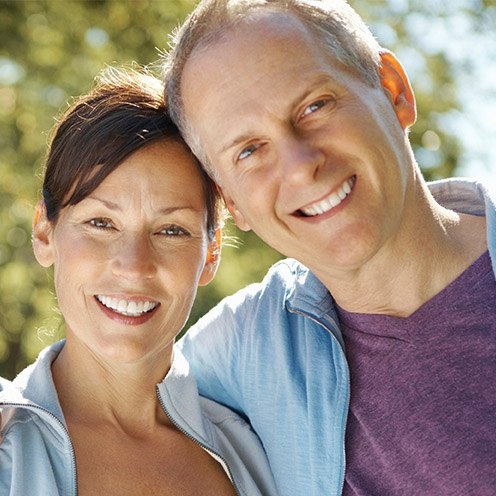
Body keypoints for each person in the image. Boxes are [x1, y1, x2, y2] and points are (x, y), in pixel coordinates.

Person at [163, 0, 496, 494]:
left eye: (314, 106)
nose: (300, 166)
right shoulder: (246, 347)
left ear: (394, 90)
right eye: (249, 150)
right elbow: (84, 399)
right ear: (232, 202)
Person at [0, 67, 278, 496]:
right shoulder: (7, 449)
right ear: (44, 232)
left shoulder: (258, 451)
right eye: (100, 222)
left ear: (212, 253)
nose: (134, 267)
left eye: (171, 230)